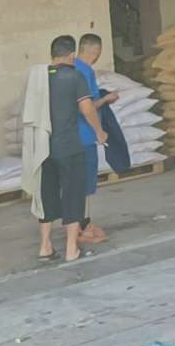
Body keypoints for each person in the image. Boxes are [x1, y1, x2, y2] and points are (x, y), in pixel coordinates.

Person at [37, 36, 105, 264]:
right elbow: (87, 109)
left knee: (46, 196)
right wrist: (99, 131)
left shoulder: (40, 77)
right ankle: (71, 249)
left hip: (44, 148)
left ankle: (45, 247)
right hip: (69, 147)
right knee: (73, 195)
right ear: (72, 55)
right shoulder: (74, 76)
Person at [74, 33, 120, 244]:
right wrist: (107, 99)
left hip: (70, 136)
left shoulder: (69, 69)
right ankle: (83, 227)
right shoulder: (85, 72)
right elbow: (87, 107)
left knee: (75, 183)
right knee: (86, 184)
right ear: (96, 51)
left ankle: (80, 224)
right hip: (84, 135)